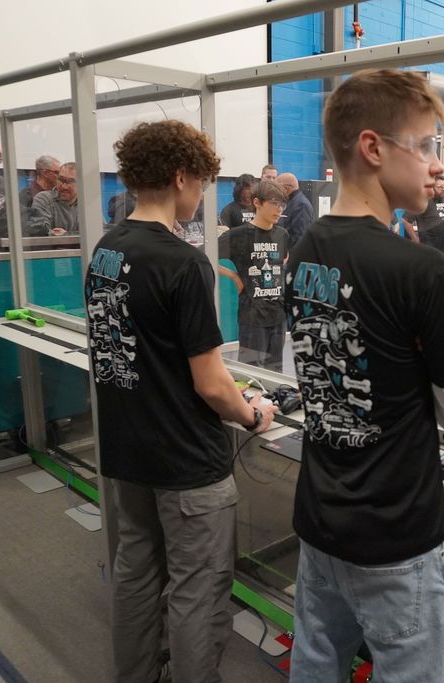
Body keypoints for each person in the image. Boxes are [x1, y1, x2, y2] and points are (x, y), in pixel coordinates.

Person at [285, 68, 444, 683]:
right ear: (372, 148)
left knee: (317, 664)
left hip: (321, 520)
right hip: (397, 538)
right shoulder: (421, 272)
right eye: (424, 146)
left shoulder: (304, 250)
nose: (436, 166)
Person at [85, 119, 277, 683]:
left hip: (129, 452)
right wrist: (252, 413)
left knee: (137, 573)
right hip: (187, 464)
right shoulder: (183, 261)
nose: (203, 196)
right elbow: (212, 384)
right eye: (202, 184)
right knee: (198, 591)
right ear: (179, 177)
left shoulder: (106, 249)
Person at [217, 179, 290, 372]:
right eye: (274, 203)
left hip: (277, 314)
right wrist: (233, 276)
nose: (279, 209)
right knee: (251, 373)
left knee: (276, 373)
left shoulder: (282, 234)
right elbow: (205, 255)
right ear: (257, 203)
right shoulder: (239, 235)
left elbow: (282, 263)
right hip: (252, 317)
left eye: (282, 204)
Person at [402, 175, 444, 257]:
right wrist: (415, 239)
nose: (443, 189)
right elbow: (406, 220)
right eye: (439, 187)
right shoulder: (422, 201)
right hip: (430, 250)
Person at [27, 162, 78, 236]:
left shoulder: (88, 204)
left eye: (70, 182)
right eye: (61, 180)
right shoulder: (44, 199)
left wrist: (67, 234)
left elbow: (98, 232)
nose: (64, 186)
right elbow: (41, 232)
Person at [277, 172, 314, 247]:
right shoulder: (292, 202)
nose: (275, 191)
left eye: (277, 187)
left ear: (286, 188)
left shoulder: (301, 205)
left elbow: (299, 237)